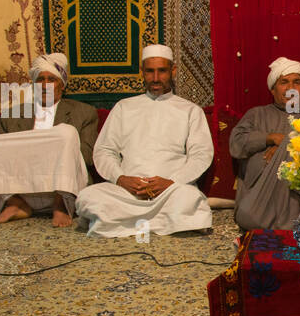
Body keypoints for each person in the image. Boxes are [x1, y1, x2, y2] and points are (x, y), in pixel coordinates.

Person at [75, 44, 214, 237]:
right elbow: (104, 150)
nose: (156, 78)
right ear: (142, 72)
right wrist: (121, 179)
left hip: (170, 192)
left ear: (173, 71)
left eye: (162, 71)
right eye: (150, 71)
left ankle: (122, 223)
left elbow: (200, 154)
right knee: (87, 197)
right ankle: (165, 223)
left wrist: (172, 182)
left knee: (190, 198)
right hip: (128, 193)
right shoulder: (124, 107)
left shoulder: (190, 110)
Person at [0, 53, 97, 226]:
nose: (45, 85)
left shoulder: (84, 112)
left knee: (66, 133)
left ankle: (60, 206)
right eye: (40, 80)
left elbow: (87, 156)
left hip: (65, 189)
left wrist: (52, 153)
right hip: (20, 187)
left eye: (51, 80)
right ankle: (15, 204)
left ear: (62, 85)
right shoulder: (12, 115)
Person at [229, 57, 300, 231]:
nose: (291, 88)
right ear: (273, 90)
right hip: (258, 205)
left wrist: (287, 147)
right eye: (284, 82)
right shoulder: (256, 115)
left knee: (296, 153)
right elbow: (236, 144)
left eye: (297, 82)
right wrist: (270, 138)